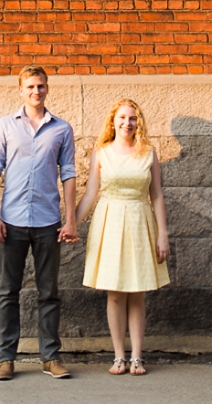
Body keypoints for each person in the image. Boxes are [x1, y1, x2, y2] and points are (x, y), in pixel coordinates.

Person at [0, 65, 78, 381]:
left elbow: (68, 173)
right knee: (7, 292)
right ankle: (5, 359)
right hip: (11, 222)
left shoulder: (62, 129)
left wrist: (71, 219)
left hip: (47, 222)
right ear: (20, 90)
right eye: (30, 87)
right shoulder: (5, 127)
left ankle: (50, 357)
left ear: (47, 88)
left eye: (40, 86)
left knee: (49, 292)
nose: (36, 92)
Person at [75, 98, 169, 376]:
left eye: (132, 118)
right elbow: (91, 193)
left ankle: (137, 357)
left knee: (137, 291)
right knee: (115, 293)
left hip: (141, 221)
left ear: (138, 122)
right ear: (113, 121)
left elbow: (157, 195)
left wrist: (163, 234)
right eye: (122, 118)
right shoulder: (101, 153)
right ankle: (118, 356)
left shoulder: (149, 153)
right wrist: (70, 224)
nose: (127, 123)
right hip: (110, 222)